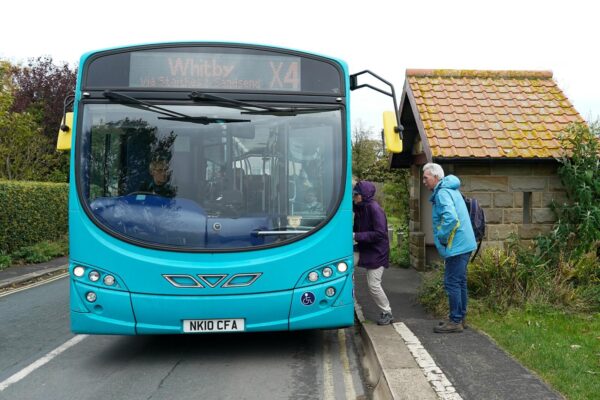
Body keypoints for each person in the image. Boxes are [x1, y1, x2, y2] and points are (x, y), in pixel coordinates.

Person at [422, 163, 477, 333]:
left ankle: (455, 321)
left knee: (452, 282)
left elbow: (451, 219)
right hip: (465, 243)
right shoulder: (451, 189)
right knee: (460, 282)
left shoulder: (442, 193)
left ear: (436, 177)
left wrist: (442, 237)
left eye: (426, 177)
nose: (424, 181)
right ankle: (460, 317)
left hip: (456, 245)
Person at [353, 181, 393, 325]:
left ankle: (387, 312)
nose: (354, 198)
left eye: (356, 195)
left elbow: (380, 234)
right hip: (365, 248)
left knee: (374, 285)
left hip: (377, 252)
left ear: (363, 195)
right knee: (345, 265)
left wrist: (356, 236)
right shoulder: (361, 207)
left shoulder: (374, 209)